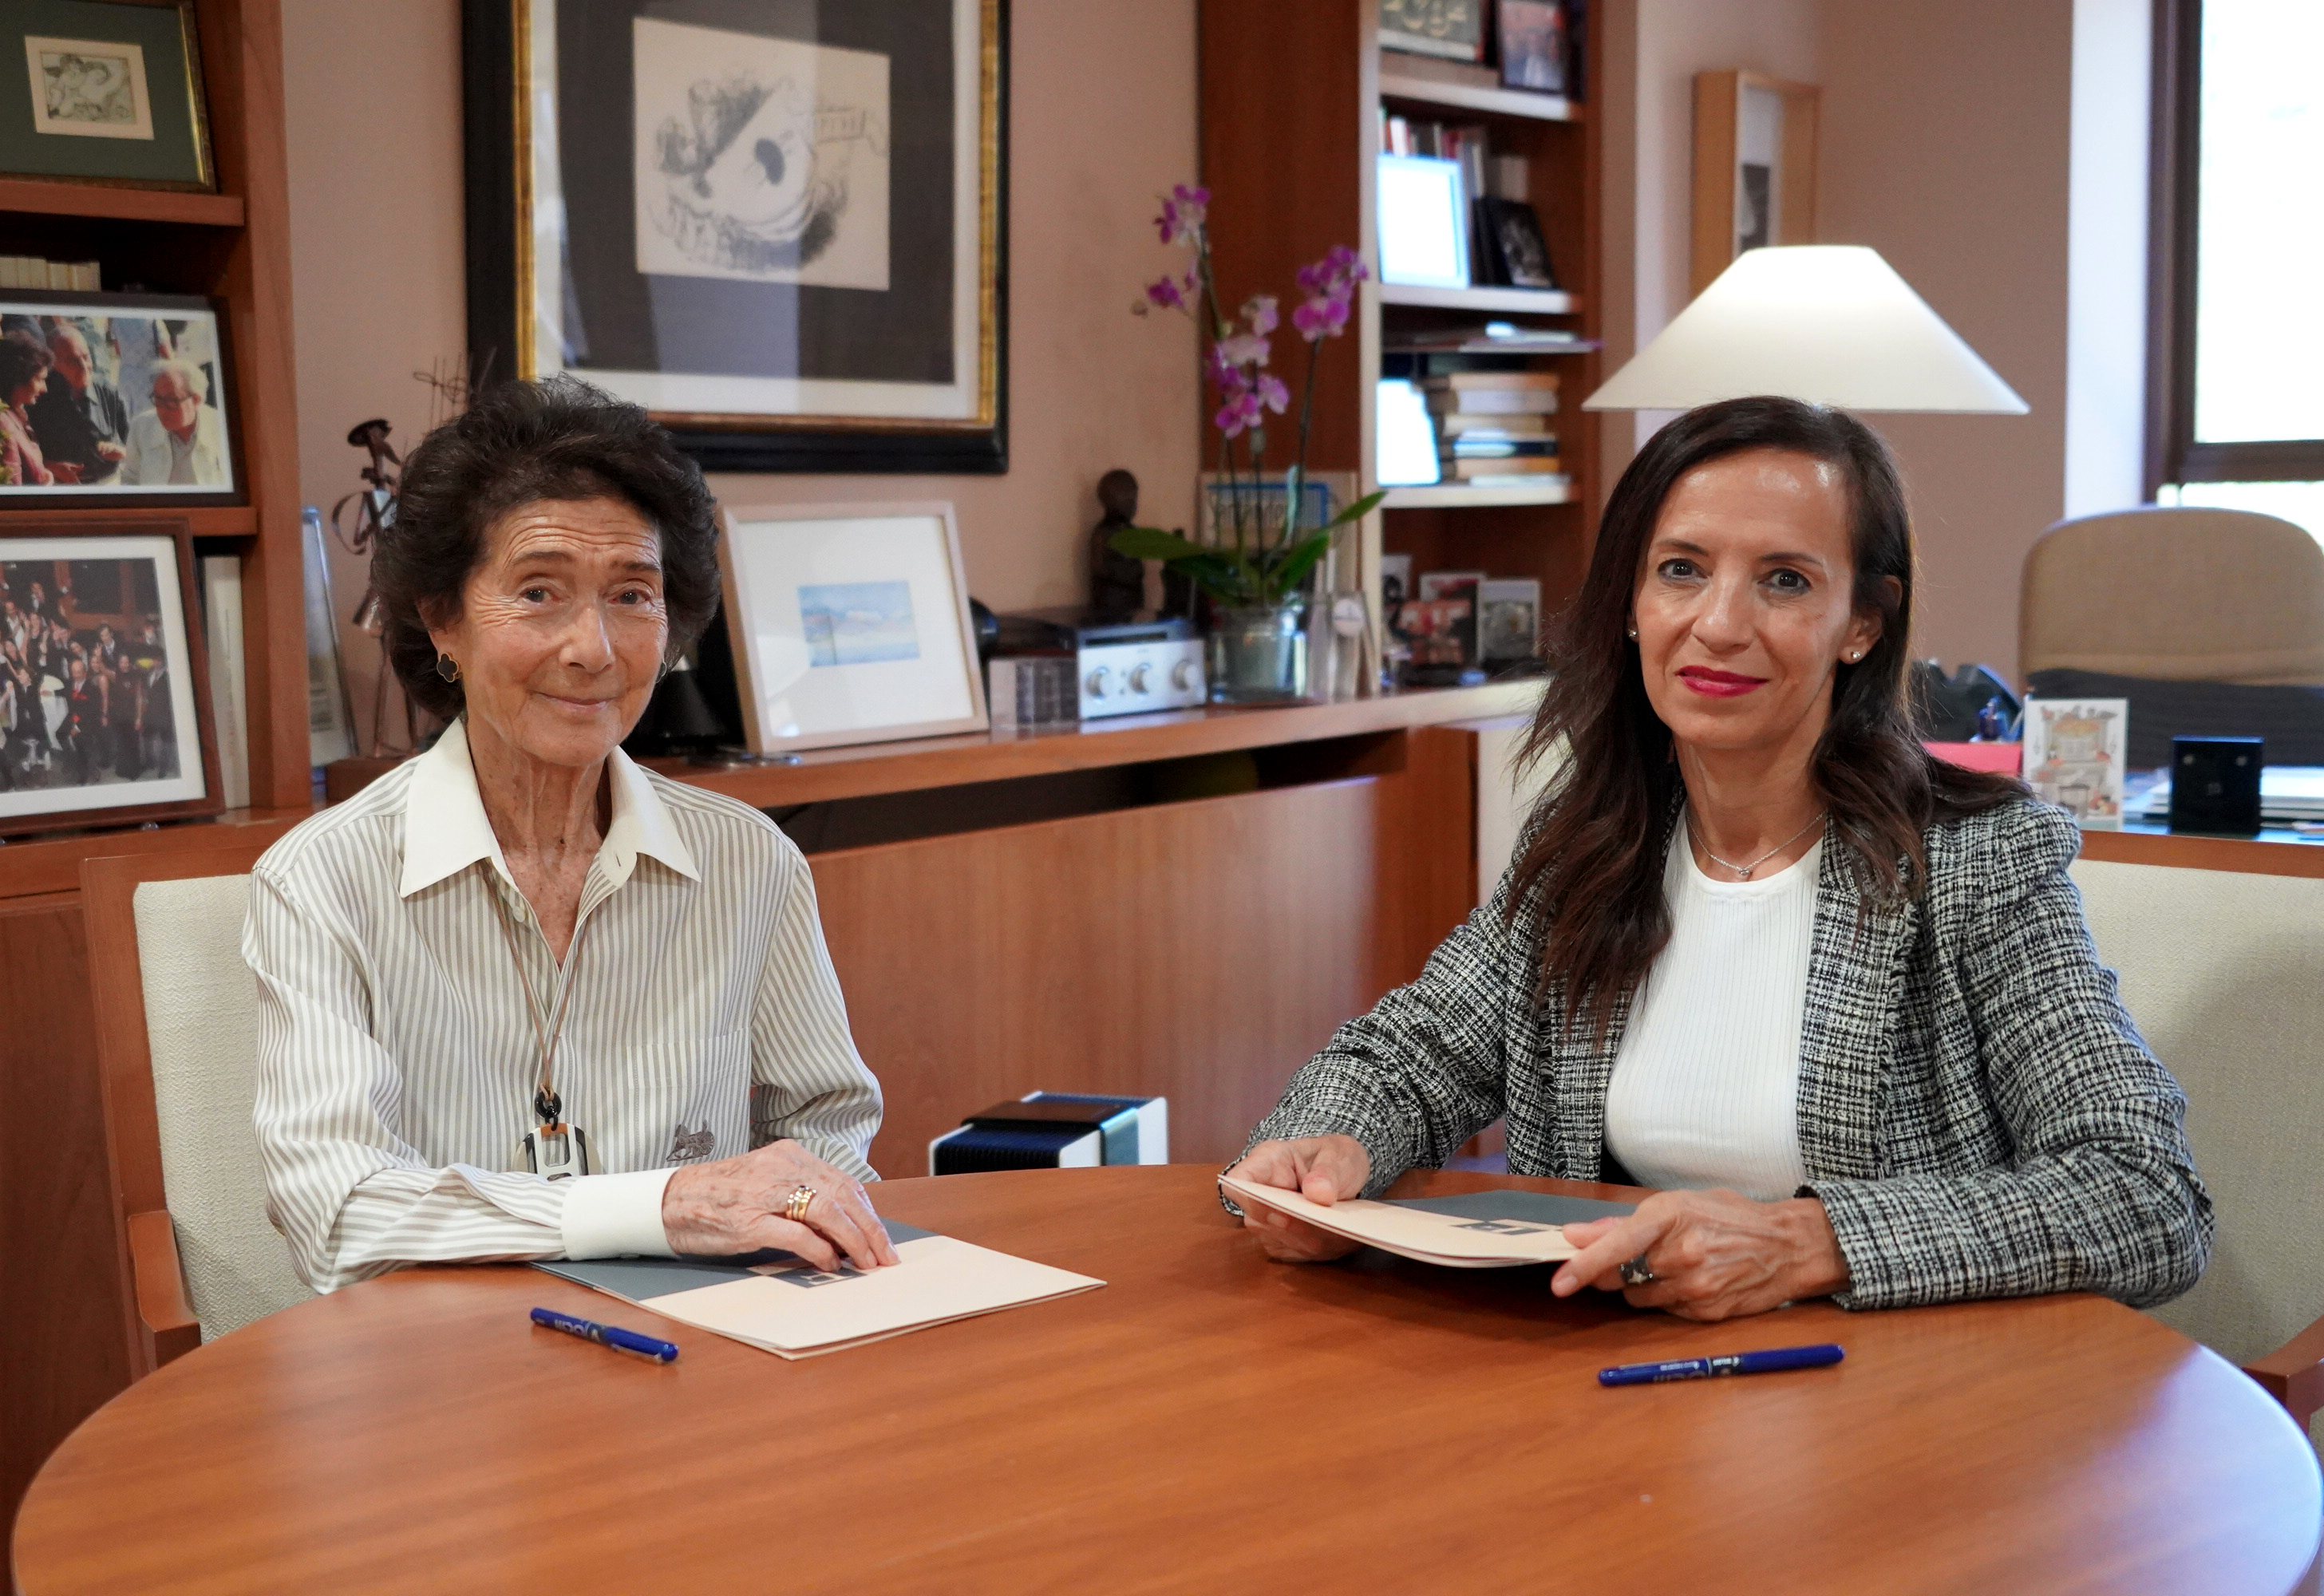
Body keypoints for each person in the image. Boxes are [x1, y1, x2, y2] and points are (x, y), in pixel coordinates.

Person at [1231, 397, 2211, 1321]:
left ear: (1861, 624)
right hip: (1606, 1387)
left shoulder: (1971, 861)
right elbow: (1414, 1055)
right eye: (1681, 568)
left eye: (1784, 579)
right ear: (1629, 599)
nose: (1719, 624)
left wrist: (1808, 1241)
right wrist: (1325, 1155)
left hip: (1902, 1407)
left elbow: (2142, 1191)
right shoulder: (1587, 845)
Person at [247, 376, 896, 1293]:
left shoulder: (751, 861)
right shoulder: (322, 880)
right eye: (539, 590)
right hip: (442, 1370)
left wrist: (798, 1223)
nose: (593, 646)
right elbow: (340, 1209)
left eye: (633, 594)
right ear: (443, 618)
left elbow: (828, 1125)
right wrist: (661, 1205)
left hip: (712, 1349)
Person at [28, 324, 128, 484]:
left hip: (108, 483)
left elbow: (133, 442)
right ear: (53, 363)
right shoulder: (38, 397)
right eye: (72, 360)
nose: (84, 366)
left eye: (86, 357)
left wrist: (122, 451)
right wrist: (51, 466)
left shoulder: (107, 391)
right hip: (60, 488)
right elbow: (22, 451)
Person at [120, 360, 229, 487]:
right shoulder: (141, 427)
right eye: (157, 399)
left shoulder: (222, 429)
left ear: (196, 400)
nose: (161, 410)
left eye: (171, 401)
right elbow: (130, 479)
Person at [0, 331, 57, 487]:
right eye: (40, 379)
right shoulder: (4, 426)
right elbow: (13, 496)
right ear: (18, 377)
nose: (44, 389)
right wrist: (45, 487)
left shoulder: (16, 415)